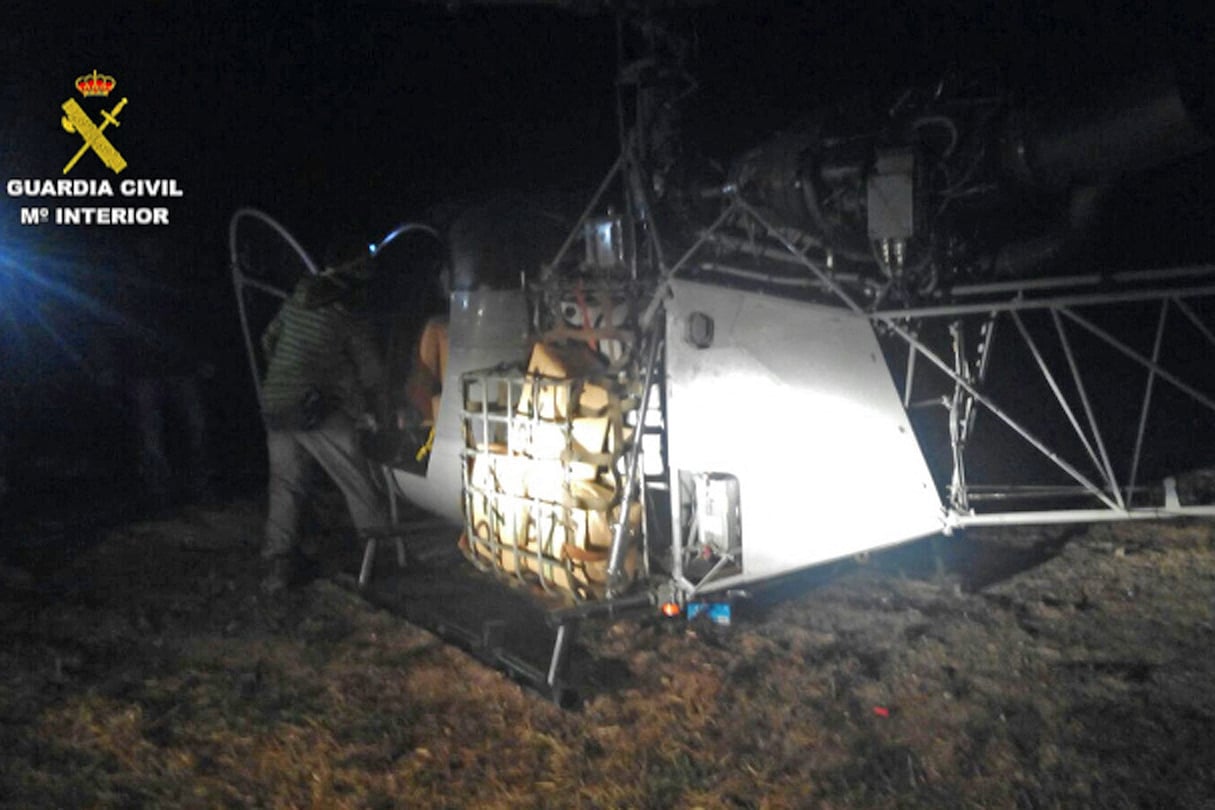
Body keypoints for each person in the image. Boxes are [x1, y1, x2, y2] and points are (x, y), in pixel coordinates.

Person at [259, 248, 389, 595]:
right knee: (356, 478)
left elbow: (267, 340)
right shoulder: (346, 314)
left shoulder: (296, 302)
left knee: (286, 485)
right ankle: (378, 557)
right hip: (313, 408)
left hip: (276, 403)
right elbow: (371, 371)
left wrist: (288, 374)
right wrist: (377, 406)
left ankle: (278, 566)